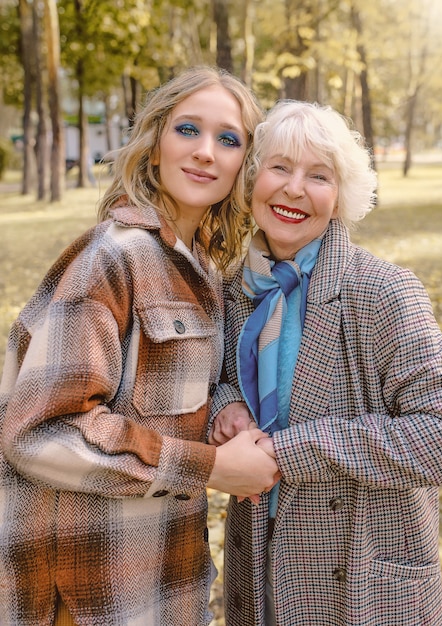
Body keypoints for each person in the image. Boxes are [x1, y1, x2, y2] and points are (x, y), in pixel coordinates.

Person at [0, 66, 280, 626]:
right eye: (187, 130)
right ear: (154, 148)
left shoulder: (201, 267)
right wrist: (210, 468)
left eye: (228, 139)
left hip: (165, 582)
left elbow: (169, 399)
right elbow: (38, 431)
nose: (205, 151)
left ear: (241, 166)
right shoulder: (114, 257)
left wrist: (223, 408)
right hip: (86, 595)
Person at [209, 100, 442, 625]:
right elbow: (217, 376)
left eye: (319, 175)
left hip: (361, 580)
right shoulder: (233, 287)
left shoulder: (383, 292)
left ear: (341, 197)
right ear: (252, 179)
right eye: (279, 167)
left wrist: (294, 450)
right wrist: (227, 406)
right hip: (259, 564)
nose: (294, 188)